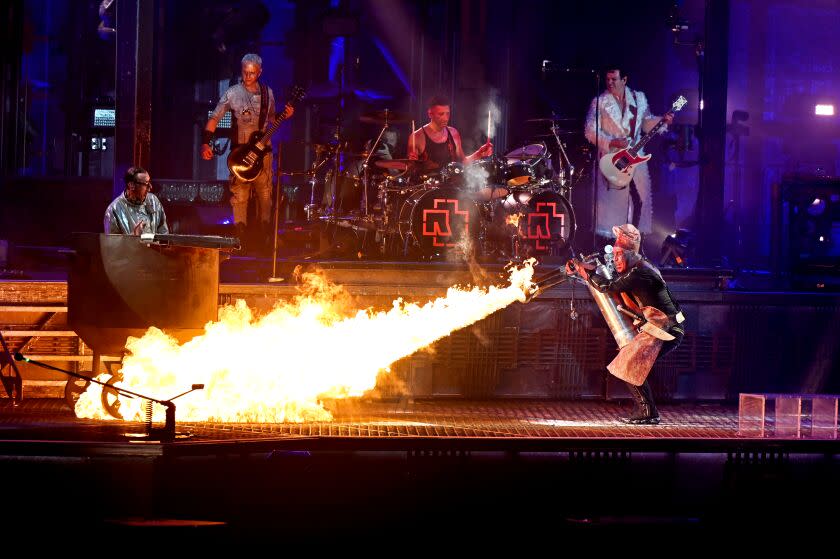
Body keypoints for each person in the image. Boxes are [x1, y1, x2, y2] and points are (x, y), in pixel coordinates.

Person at [566, 223, 685, 424]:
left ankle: (648, 412)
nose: (615, 259)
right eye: (615, 254)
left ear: (632, 253)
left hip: (666, 329)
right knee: (630, 362)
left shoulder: (640, 273)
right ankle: (648, 412)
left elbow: (608, 285)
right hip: (659, 328)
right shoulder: (638, 268)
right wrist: (585, 268)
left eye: (620, 254)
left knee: (629, 362)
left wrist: (584, 272)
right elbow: (614, 279)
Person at [201, 53, 293, 252]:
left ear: (260, 72)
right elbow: (214, 118)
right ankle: (240, 239)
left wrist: (284, 115)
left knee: (265, 195)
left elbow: (271, 119)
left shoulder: (268, 93)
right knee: (240, 196)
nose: (248, 76)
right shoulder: (232, 93)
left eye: (252, 73)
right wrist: (206, 143)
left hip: (263, 154)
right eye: (245, 72)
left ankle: (265, 238)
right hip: (241, 154)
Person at [584, 67, 673, 250]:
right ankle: (609, 250)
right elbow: (590, 131)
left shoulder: (638, 99)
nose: (610, 83)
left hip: (636, 160)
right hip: (612, 162)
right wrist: (611, 142)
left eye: (614, 79)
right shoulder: (599, 102)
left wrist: (662, 121)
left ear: (624, 79)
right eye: (608, 79)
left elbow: (646, 123)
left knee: (639, 200)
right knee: (612, 215)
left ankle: (635, 248)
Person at [407, 95, 493, 170]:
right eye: (441, 114)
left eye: (447, 114)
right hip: (427, 188)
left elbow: (462, 162)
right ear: (430, 114)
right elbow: (409, 170)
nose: (445, 118)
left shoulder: (453, 133)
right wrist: (411, 163)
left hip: (451, 186)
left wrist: (479, 154)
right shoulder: (417, 137)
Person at [104, 166, 169, 235]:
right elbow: (112, 244)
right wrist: (134, 236)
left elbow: (164, 233)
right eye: (146, 184)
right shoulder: (114, 210)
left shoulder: (154, 201)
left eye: (149, 182)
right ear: (131, 185)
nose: (150, 188)